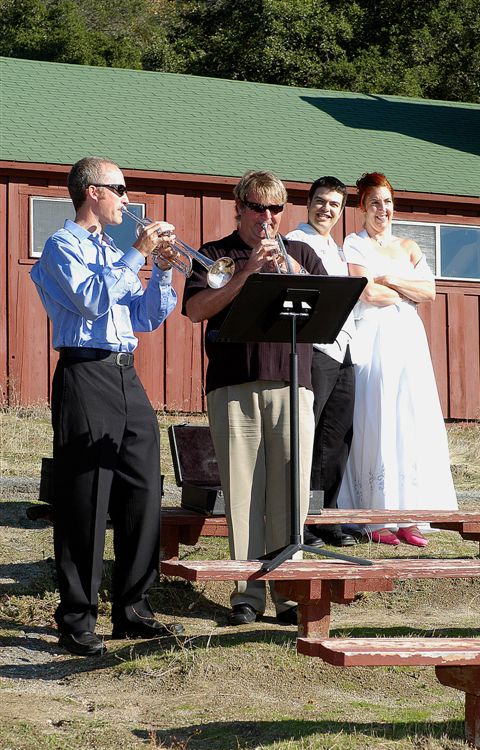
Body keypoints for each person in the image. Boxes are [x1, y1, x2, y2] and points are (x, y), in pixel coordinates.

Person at [31, 156, 182, 656]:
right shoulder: (61, 245)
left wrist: (160, 271)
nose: (126, 197)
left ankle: (133, 609)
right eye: (119, 188)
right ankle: (76, 617)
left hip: (125, 374)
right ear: (93, 191)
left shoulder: (113, 249)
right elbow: (92, 302)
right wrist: (137, 252)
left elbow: (145, 317)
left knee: (142, 490)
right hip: (84, 371)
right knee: (84, 498)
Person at [183, 170, 326, 626]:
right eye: (258, 207)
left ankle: (288, 592)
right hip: (234, 381)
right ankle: (247, 592)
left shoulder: (302, 252)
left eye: (276, 209)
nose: (267, 217)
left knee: (290, 488)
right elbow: (195, 310)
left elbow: (329, 309)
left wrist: (288, 268)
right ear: (239, 207)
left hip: (291, 381)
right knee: (243, 490)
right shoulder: (213, 254)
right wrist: (247, 273)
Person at [338, 172, 458, 546]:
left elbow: (430, 291)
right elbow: (366, 293)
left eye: (387, 202)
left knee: (409, 418)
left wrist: (391, 281)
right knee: (376, 416)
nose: (382, 209)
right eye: (375, 202)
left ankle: (409, 515)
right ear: (362, 207)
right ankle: (375, 516)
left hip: (409, 340)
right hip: (374, 338)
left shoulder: (408, 245)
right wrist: (402, 291)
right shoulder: (354, 243)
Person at [287, 176, 365, 548]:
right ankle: (299, 521)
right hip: (316, 348)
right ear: (308, 202)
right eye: (320, 201)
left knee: (337, 436)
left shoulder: (337, 249)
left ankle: (326, 517)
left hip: (346, 347)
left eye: (334, 204)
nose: (326, 209)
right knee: (308, 434)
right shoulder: (295, 242)